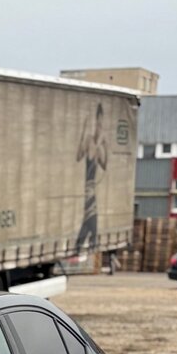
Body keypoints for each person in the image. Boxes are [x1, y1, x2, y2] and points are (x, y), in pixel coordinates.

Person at [76, 103, 108, 251]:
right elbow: (78, 156)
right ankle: (85, 245)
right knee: (92, 220)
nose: (99, 128)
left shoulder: (99, 147)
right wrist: (82, 132)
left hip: (92, 188)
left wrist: (105, 146)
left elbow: (104, 165)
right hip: (87, 189)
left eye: (101, 125)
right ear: (95, 123)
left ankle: (80, 246)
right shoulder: (89, 141)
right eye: (98, 124)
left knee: (90, 219)